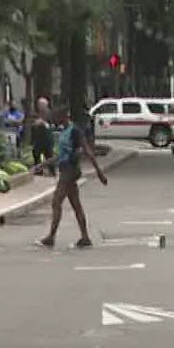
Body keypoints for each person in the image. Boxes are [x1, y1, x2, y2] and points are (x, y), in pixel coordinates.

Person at [37, 107, 108, 249]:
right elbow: (60, 156)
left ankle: (51, 236)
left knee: (56, 202)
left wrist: (99, 172)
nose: (55, 119)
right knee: (76, 204)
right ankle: (85, 237)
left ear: (63, 116)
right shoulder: (64, 132)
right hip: (65, 169)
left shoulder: (75, 131)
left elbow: (87, 151)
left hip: (70, 170)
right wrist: (43, 164)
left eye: (57, 116)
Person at [28, 97, 55, 170]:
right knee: (36, 155)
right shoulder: (35, 114)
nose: (42, 107)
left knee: (49, 155)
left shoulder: (49, 113)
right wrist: (35, 123)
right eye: (40, 105)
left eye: (44, 105)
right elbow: (31, 123)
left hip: (47, 138)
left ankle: (52, 170)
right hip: (37, 139)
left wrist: (44, 123)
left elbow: (52, 124)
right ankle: (39, 170)